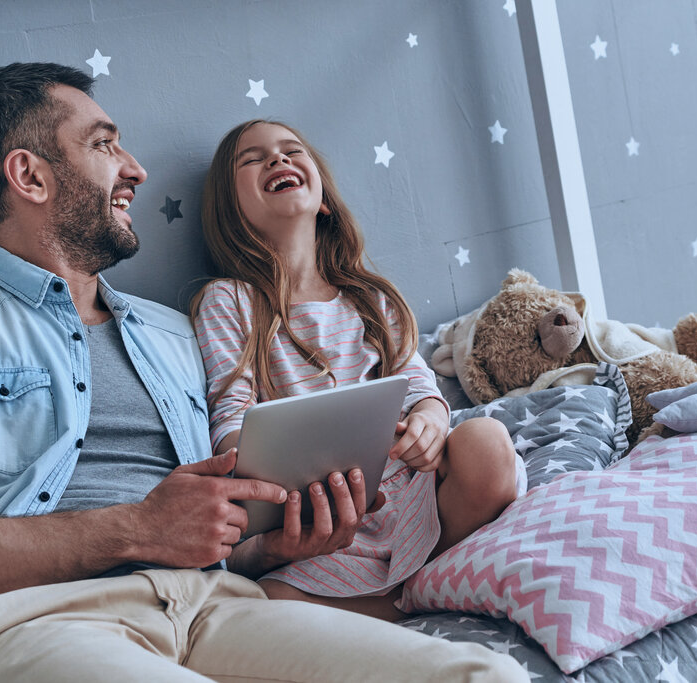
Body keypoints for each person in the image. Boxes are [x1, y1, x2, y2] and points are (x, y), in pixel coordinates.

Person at [0, 63, 528, 683]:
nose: (136, 168)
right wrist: (133, 528)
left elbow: (219, 533)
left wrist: (274, 543)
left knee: (484, 673)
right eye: (103, 144)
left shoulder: (172, 332)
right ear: (29, 175)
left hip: (214, 608)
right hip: (29, 624)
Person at [193, 119, 527, 621]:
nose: (278, 160)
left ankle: (417, 581)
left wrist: (431, 421)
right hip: (319, 518)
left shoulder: (366, 297)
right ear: (231, 211)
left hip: (409, 493)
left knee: (488, 443)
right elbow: (230, 408)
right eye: (254, 158)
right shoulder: (229, 301)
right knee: (272, 606)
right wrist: (256, 464)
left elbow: (417, 380)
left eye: (290, 151)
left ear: (323, 198)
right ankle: (408, 596)